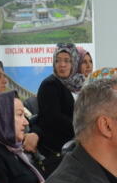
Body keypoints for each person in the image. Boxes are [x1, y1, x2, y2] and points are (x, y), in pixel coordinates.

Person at [36, 44, 84, 174]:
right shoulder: (50, 85)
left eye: (67, 61)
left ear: (74, 63)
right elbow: (54, 119)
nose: (62, 65)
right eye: (58, 60)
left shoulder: (76, 83)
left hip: (74, 140)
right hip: (58, 146)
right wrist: (82, 128)